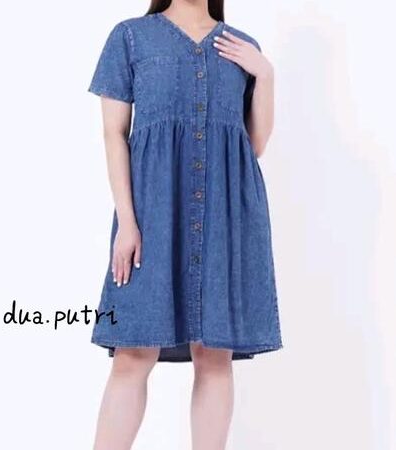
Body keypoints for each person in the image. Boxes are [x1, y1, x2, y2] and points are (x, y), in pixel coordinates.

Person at [87, 1, 283, 448]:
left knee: (214, 356)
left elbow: (253, 144)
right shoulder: (130, 36)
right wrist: (127, 222)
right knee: (133, 353)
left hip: (225, 217)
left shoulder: (242, 46)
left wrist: (265, 75)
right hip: (151, 216)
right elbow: (114, 133)